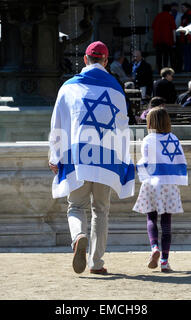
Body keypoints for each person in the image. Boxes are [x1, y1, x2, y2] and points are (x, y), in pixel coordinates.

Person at [49, 41, 135, 275]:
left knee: (75, 205)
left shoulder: (68, 87)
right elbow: (123, 128)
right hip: (106, 157)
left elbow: (57, 123)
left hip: (78, 155)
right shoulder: (116, 89)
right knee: (101, 210)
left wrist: (55, 156)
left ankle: (79, 236)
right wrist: (124, 161)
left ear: (85, 59)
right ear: (106, 61)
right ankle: (96, 262)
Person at [133, 106, 188, 273]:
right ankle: (164, 260)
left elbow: (146, 161)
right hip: (169, 183)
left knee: (151, 216)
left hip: (152, 183)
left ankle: (154, 247)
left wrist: (136, 169)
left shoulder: (149, 139)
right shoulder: (174, 138)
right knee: (166, 221)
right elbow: (179, 160)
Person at [152, 4, 177, 72]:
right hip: (167, 40)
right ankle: (165, 70)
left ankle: (159, 69)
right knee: (166, 55)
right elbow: (173, 29)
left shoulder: (158, 16)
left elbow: (153, 27)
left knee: (159, 56)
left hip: (158, 40)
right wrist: (174, 40)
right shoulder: (170, 16)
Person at [179, 3, 191, 72]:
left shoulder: (188, 16)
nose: (182, 9)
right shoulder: (186, 16)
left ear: (187, 8)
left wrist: (189, 38)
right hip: (185, 38)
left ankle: (188, 68)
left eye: (183, 7)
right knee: (187, 54)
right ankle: (188, 68)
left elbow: (189, 28)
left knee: (187, 54)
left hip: (187, 38)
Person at [170, 2, 184, 73]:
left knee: (179, 53)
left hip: (178, 36)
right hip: (170, 37)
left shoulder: (181, 15)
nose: (174, 8)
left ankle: (179, 68)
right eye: (173, 7)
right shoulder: (169, 15)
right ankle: (173, 68)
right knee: (172, 54)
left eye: (175, 7)